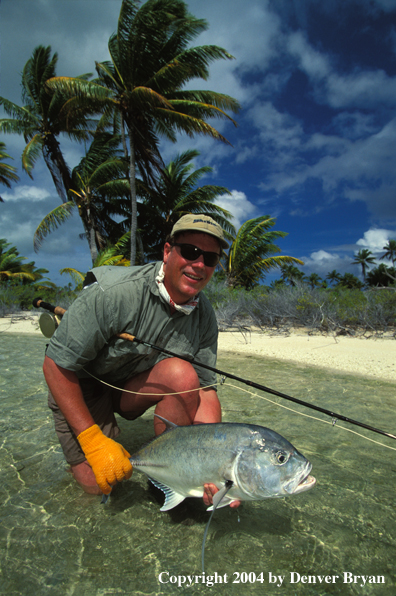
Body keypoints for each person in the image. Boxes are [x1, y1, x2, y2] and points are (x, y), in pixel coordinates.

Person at [43, 214, 239, 508]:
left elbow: (206, 392)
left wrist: (213, 465)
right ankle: (99, 439)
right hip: (82, 384)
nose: (199, 264)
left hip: (131, 390)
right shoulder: (115, 293)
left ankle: (163, 481)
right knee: (100, 486)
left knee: (184, 376)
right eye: (190, 252)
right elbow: (55, 366)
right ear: (167, 251)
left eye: (210, 258)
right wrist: (93, 441)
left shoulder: (205, 315)